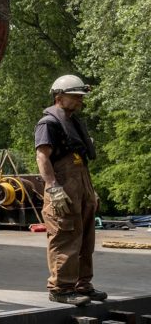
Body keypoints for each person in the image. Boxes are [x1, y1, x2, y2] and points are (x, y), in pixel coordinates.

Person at [35, 74, 104, 306]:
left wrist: (90, 192)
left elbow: (80, 163)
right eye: (74, 97)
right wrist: (53, 188)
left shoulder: (73, 124)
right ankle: (60, 289)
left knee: (85, 239)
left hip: (81, 191)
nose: (79, 101)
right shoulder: (49, 123)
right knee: (65, 238)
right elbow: (42, 157)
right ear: (59, 96)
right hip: (62, 193)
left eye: (80, 97)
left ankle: (82, 285)